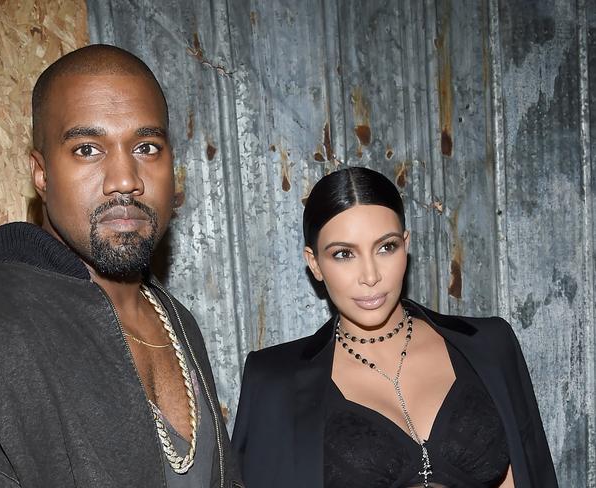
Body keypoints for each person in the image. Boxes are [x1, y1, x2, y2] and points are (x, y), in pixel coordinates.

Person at [0, 44, 242, 488]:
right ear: (41, 174)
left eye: (146, 146)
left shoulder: (178, 322)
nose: (125, 178)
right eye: (87, 149)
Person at [232, 167, 557, 488]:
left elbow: (527, 475)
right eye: (344, 254)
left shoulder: (490, 345)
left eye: (386, 247)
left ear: (406, 245)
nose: (370, 275)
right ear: (315, 263)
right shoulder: (274, 381)